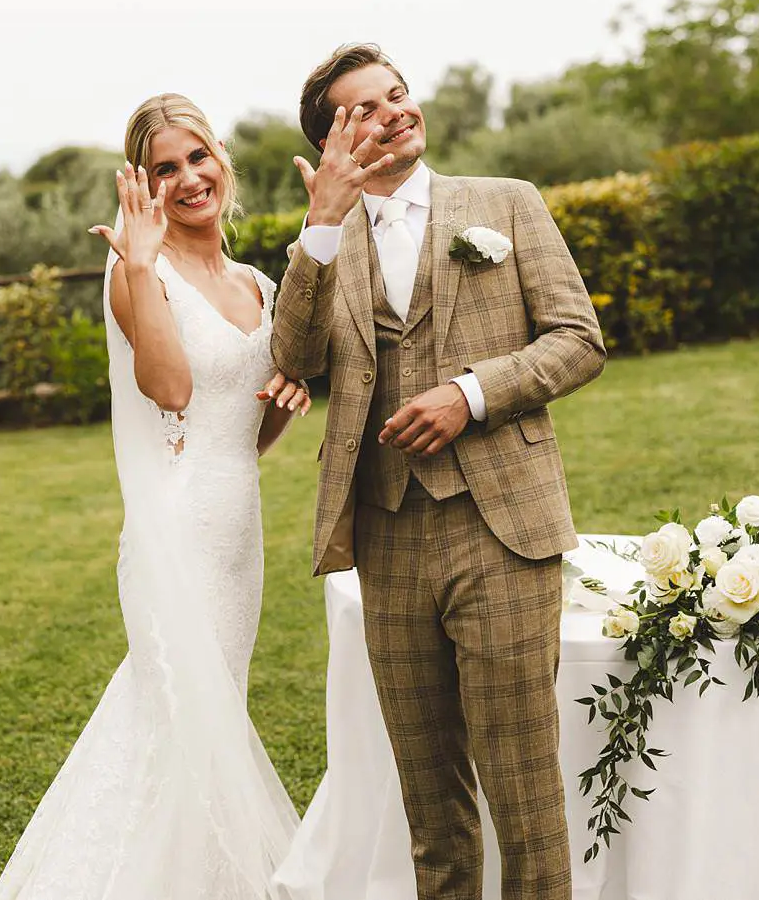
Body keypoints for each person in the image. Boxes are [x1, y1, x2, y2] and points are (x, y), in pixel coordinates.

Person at [271, 44, 607, 900]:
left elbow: (578, 340)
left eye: (398, 94)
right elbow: (295, 356)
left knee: (524, 789)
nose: (397, 112)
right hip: (387, 537)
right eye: (367, 109)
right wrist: (320, 223)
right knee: (431, 801)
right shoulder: (322, 245)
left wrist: (472, 393)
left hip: (503, 526)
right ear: (336, 142)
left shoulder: (505, 204)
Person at [0, 93, 309, 900]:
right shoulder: (138, 271)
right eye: (167, 167)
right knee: (175, 715)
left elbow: (242, 434)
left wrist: (283, 405)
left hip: (238, 531)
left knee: (213, 709)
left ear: (222, 156)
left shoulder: (256, 284)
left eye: (198, 156)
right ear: (145, 184)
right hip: (176, 533)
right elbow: (169, 389)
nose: (189, 177)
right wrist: (137, 262)